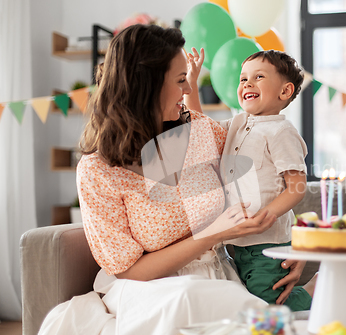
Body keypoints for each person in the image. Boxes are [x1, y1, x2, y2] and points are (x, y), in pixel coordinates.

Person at [38, 25, 280, 335]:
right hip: (146, 290)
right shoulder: (97, 171)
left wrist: (288, 249)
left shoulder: (199, 132)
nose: (189, 90)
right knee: (186, 296)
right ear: (147, 85)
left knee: (220, 309)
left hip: (216, 282)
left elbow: (271, 172)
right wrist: (212, 234)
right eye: (181, 80)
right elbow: (129, 271)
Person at [186, 49, 316, 311]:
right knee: (246, 298)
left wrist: (268, 213)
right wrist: (191, 85)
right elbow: (197, 128)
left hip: (269, 241)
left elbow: (297, 187)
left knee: (267, 302)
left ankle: (317, 290)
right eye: (243, 78)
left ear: (285, 91)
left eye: (258, 77)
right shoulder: (237, 123)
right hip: (237, 241)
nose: (247, 83)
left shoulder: (281, 132)